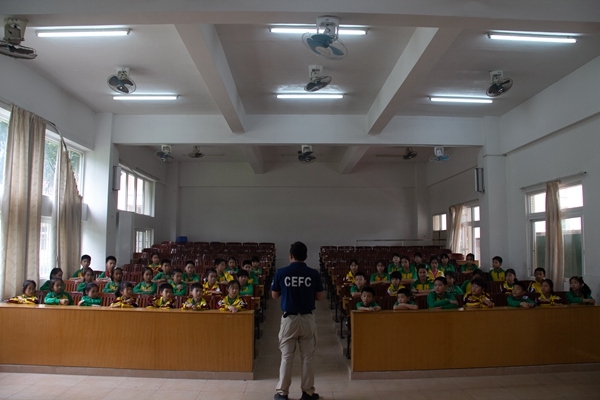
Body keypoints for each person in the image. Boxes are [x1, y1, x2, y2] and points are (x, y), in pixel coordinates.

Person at [271, 241, 324, 400]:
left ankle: (282, 393)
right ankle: (307, 392)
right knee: (307, 358)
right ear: (306, 256)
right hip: (307, 319)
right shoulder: (313, 274)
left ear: (290, 255)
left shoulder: (281, 273)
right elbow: (320, 297)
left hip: (289, 319)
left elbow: (274, 295)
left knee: (286, 357)